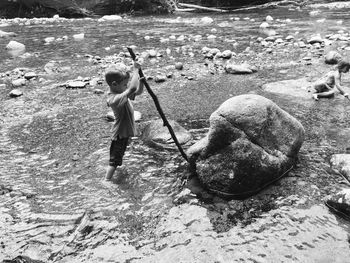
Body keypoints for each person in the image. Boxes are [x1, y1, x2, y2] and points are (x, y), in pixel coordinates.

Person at [104, 61, 144, 182]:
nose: (127, 86)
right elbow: (132, 88)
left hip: (123, 134)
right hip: (119, 135)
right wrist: (135, 70)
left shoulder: (121, 93)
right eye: (124, 84)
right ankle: (106, 180)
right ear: (115, 84)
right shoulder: (115, 99)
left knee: (118, 156)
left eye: (126, 84)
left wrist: (141, 81)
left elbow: (137, 91)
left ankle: (113, 172)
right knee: (114, 161)